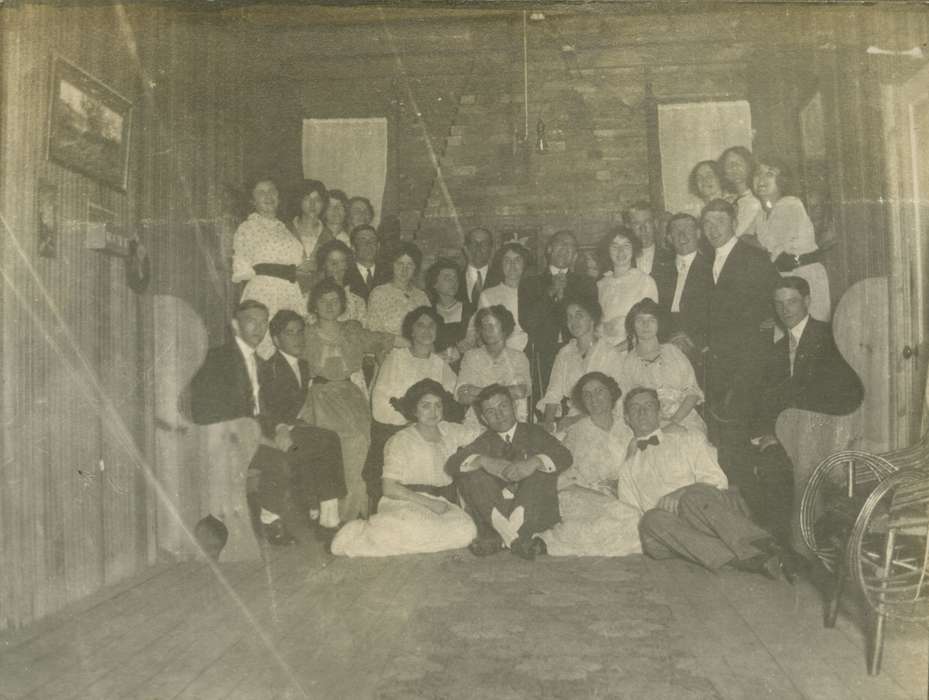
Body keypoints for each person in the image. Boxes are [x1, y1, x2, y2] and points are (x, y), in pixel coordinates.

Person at [619, 388, 795, 581]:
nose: (642, 412)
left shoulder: (688, 439)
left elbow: (717, 480)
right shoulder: (628, 468)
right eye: (635, 408)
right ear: (627, 418)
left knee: (691, 498)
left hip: (710, 515)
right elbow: (630, 512)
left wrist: (681, 493)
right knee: (650, 521)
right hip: (674, 533)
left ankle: (760, 549)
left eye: (648, 406)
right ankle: (753, 556)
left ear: (659, 412)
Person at [742, 277, 863, 549]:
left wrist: (789, 434)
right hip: (787, 436)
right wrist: (765, 435)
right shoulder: (774, 351)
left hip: (824, 434)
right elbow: (768, 401)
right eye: (779, 303)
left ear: (807, 301)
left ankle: (806, 549)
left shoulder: (831, 338)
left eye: (792, 301)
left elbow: (838, 397)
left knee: (794, 475)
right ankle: (784, 552)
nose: (786, 309)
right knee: (766, 466)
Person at [331, 380, 479, 557]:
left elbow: (480, 432)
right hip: (405, 502)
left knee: (467, 531)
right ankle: (359, 532)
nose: (434, 412)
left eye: (438, 405)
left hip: (442, 502)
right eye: (426, 406)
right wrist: (430, 504)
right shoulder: (400, 440)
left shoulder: (449, 430)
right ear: (414, 410)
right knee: (415, 528)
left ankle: (377, 537)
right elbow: (389, 488)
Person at [189, 300, 295, 546]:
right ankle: (269, 522)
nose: (259, 328)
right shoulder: (218, 359)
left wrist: (279, 428)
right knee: (278, 460)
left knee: (296, 450)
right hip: (226, 437)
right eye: (251, 321)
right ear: (236, 325)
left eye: (263, 322)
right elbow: (211, 411)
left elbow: (269, 408)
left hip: (256, 433)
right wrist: (263, 438)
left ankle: (271, 517)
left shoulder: (262, 364)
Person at [300, 280, 404, 521]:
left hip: (350, 395)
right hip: (319, 396)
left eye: (335, 300)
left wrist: (426, 344)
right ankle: (330, 514)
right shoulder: (306, 334)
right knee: (332, 446)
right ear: (314, 305)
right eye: (323, 300)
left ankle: (354, 511)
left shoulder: (352, 331)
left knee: (359, 442)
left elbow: (384, 339)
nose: (329, 305)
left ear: (343, 305)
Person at [447, 385, 573, 560]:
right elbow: (452, 464)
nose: (499, 415)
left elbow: (565, 456)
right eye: (490, 412)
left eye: (503, 406)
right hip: (497, 510)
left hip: (534, 510)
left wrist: (534, 462)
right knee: (470, 471)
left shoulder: (534, 432)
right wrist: (484, 461)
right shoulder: (485, 440)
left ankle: (502, 536)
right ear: (483, 419)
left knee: (542, 468)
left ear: (514, 407)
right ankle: (515, 538)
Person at [258, 310, 346, 541]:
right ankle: (320, 518)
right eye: (289, 333)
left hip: (290, 428)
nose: (297, 338)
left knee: (326, 439)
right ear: (276, 340)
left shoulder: (303, 365)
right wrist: (280, 428)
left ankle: (324, 516)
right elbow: (264, 407)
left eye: (300, 332)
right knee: (325, 441)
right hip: (268, 433)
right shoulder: (270, 367)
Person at [702, 198, 781, 445]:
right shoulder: (704, 261)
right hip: (717, 362)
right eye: (707, 223)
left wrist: (764, 329)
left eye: (720, 221)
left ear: (735, 224)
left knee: (748, 432)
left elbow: (776, 296)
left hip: (748, 361)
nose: (713, 229)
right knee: (724, 436)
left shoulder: (754, 257)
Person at [537, 373, 641, 557]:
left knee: (633, 519)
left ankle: (560, 542)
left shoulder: (628, 427)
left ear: (612, 393)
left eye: (599, 391)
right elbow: (562, 477)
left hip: (623, 494)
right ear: (582, 402)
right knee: (628, 520)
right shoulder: (576, 432)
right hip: (582, 495)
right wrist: (594, 493)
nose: (594, 399)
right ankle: (554, 540)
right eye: (587, 395)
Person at [366, 306, 459, 510]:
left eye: (431, 325)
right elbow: (380, 404)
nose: (426, 330)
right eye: (420, 325)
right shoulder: (396, 358)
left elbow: (453, 396)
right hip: (395, 427)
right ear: (411, 331)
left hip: (429, 428)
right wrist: (411, 423)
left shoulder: (439, 364)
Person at [745, 156, 831, 321]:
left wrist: (745, 239)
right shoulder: (762, 212)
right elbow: (744, 237)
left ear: (782, 180)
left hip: (805, 276)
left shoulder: (790, 204)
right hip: (784, 277)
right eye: (757, 173)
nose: (761, 179)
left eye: (769, 174)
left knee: (810, 330)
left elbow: (764, 246)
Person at [231, 178, 305, 357]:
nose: (268, 196)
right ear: (252, 200)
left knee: (289, 344)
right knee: (265, 346)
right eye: (261, 192)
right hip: (264, 292)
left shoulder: (285, 228)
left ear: (279, 197)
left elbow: (298, 262)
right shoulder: (248, 227)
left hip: (290, 291)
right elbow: (242, 269)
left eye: (272, 191)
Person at [518, 230, 598, 398]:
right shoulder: (531, 283)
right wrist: (551, 292)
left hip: (578, 353)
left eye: (571, 246)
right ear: (549, 249)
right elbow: (528, 322)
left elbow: (591, 319)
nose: (565, 248)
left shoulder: (586, 284)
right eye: (561, 243)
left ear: (575, 255)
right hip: (541, 357)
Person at [617, 298, 707, 436]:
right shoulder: (628, 363)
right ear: (632, 325)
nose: (645, 324)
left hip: (683, 418)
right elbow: (627, 404)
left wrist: (674, 421)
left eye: (651, 320)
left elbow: (692, 393)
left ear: (659, 324)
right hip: (646, 425)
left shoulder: (673, 352)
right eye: (640, 320)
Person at [537, 297, 624, 435]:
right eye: (569, 317)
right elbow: (553, 394)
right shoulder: (564, 354)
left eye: (579, 315)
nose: (574, 322)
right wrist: (548, 424)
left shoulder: (609, 353)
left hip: (605, 421)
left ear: (592, 318)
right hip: (570, 423)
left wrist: (577, 420)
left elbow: (617, 399)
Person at [457, 305, 531, 429]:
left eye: (493, 325)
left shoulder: (518, 357)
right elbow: (462, 396)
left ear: (504, 328)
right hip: (478, 421)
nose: (488, 330)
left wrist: (477, 391)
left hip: (513, 420)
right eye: (484, 326)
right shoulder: (471, 356)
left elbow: (520, 391)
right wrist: (506, 392)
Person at [652, 213, 713, 357]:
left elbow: (719, 314)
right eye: (676, 231)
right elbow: (655, 311)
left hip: (701, 345)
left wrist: (694, 341)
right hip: (665, 343)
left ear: (698, 233)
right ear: (669, 239)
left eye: (688, 229)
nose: (682, 235)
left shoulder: (712, 268)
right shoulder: (660, 272)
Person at [595, 226, 659, 347]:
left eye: (626, 246)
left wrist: (618, 350)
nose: (620, 252)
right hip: (603, 349)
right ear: (607, 250)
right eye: (614, 246)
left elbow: (650, 326)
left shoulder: (645, 281)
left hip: (632, 350)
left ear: (634, 249)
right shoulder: (601, 284)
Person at [472, 241, 530, 352]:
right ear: (501, 264)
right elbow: (481, 332)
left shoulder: (534, 291)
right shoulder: (488, 295)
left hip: (530, 352)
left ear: (524, 264)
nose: (512, 265)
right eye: (507, 260)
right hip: (501, 352)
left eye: (517, 260)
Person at [366, 242, 431, 337]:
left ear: (415, 268)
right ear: (392, 265)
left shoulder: (421, 296)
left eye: (410, 265)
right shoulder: (379, 293)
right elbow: (374, 331)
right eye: (400, 264)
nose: (404, 269)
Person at [290, 179, 334, 293]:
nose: (312, 204)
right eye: (307, 199)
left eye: (317, 200)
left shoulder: (329, 236)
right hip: (288, 290)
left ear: (324, 204)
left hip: (317, 293)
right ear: (299, 201)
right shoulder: (285, 229)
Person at [425, 258, 471, 357]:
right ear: (434, 284)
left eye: (455, 278)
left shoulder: (470, 309)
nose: (453, 282)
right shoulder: (428, 312)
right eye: (447, 278)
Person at [314, 239, 366, 324]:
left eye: (343, 263)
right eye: (334, 263)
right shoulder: (312, 298)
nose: (340, 268)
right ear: (323, 265)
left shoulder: (357, 302)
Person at [719, 146, 762, 238]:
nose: (734, 167)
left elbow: (736, 234)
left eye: (739, 163)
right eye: (729, 164)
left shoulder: (755, 201)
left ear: (749, 166)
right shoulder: (728, 200)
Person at [624, 201, 672, 275]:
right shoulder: (622, 259)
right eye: (636, 223)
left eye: (647, 222)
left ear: (655, 223)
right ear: (629, 226)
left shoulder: (670, 258)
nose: (643, 228)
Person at [345, 225, 388, 301]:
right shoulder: (345, 274)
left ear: (378, 246)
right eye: (362, 240)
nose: (368, 244)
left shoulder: (388, 273)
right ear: (353, 247)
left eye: (372, 240)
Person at [461, 227, 496, 315]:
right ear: (466, 248)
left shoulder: (500, 279)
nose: (478, 248)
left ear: (491, 249)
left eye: (484, 244)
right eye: (474, 243)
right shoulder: (455, 278)